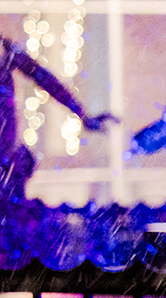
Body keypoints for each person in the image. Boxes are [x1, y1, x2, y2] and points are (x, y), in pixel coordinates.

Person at [1, 35, 115, 201]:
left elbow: (46, 80)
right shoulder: (7, 52)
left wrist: (81, 113)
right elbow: (45, 79)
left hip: (8, 161)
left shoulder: (6, 51)